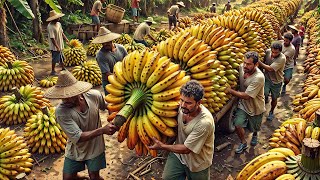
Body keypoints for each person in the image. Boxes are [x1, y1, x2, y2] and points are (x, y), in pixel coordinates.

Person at [44, 70, 119, 180]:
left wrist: (114, 118)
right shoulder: (61, 112)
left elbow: (109, 106)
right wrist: (102, 130)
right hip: (76, 148)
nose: (66, 99)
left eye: (69, 95)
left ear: (77, 92)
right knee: (68, 178)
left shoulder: (94, 96)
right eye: (63, 96)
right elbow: (78, 137)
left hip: (95, 147)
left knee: (94, 177)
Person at [149, 80, 215, 180]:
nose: (183, 105)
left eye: (188, 103)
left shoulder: (204, 123)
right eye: (182, 100)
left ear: (199, 102)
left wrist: (162, 146)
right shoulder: (181, 108)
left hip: (197, 163)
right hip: (178, 156)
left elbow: (186, 149)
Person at [227, 51, 265, 154]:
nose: (245, 66)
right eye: (244, 62)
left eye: (248, 64)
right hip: (243, 105)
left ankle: (255, 135)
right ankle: (243, 142)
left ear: (256, 64)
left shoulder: (259, 78)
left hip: (256, 106)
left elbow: (247, 96)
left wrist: (231, 91)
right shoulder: (242, 68)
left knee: (255, 127)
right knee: (238, 124)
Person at [92, 27, 128, 95]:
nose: (105, 44)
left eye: (107, 42)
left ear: (111, 40)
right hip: (110, 82)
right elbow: (107, 75)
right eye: (103, 42)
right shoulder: (100, 55)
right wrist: (122, 80)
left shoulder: (121, 48)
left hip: (124, 79)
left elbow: (127, 63)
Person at [258, 41, 286, 121]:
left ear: (280, 51)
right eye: (272, 52)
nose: (273, 54)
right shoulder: (267, 52)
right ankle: (264, 103)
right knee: (264, 94)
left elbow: (270, 69)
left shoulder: (282, 58)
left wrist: (258, 62)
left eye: (276, 53)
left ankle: (271, 111)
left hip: (276, 81)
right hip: (267, 79)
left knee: (274, 98)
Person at [47, 10, 69, 76]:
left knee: (61, 57)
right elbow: (52, 38)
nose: (59, 18)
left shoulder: (59, 24)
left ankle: (63, 67)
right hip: (54, 46)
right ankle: (53, 71)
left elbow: (61, 32)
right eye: (58, 17)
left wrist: (66, 39)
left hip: (60, 43)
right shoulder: (50, 26)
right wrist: (57, 47)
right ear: (54, 18)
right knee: (55, 58)